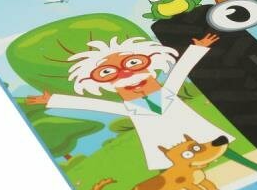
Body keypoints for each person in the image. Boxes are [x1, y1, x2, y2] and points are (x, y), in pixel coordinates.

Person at [27, 33, 228, 170]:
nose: (126, 74)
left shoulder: (167, 92)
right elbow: (93, 104)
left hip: (197, 132)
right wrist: (52, 99)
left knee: (215, 144)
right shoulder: (130, 108)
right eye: (108, 72)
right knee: (171, 164)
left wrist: (197, 49)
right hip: (163, 143)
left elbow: (180, 71)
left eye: (133, 64)